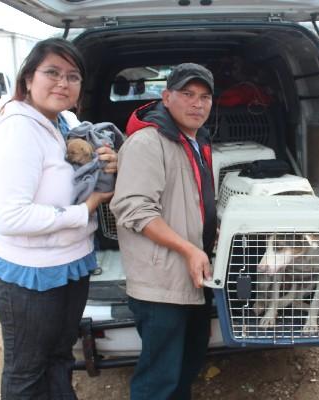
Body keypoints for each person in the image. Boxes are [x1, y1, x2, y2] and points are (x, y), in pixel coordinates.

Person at [0, 38, 116, 399]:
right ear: (28, 78)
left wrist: (107, 165)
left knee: (60, 357)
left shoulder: (65, 123)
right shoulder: (18, 131)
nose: (63, 83)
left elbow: (79, 171)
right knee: (27, 369)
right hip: (28, 275)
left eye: (72, 76)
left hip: (70, 264)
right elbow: (11, 217)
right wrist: (88, 208)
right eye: (52, 73)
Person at [110, 63, 217, 400]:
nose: (197, 104)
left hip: (193, 276)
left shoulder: (196, 142)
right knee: (158, 381)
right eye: (187, 94)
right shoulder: (147, 142)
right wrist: (188, 249)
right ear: (166, 97)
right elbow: (134, 208)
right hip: (160, 284)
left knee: (185, 368)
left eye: (204, 97)